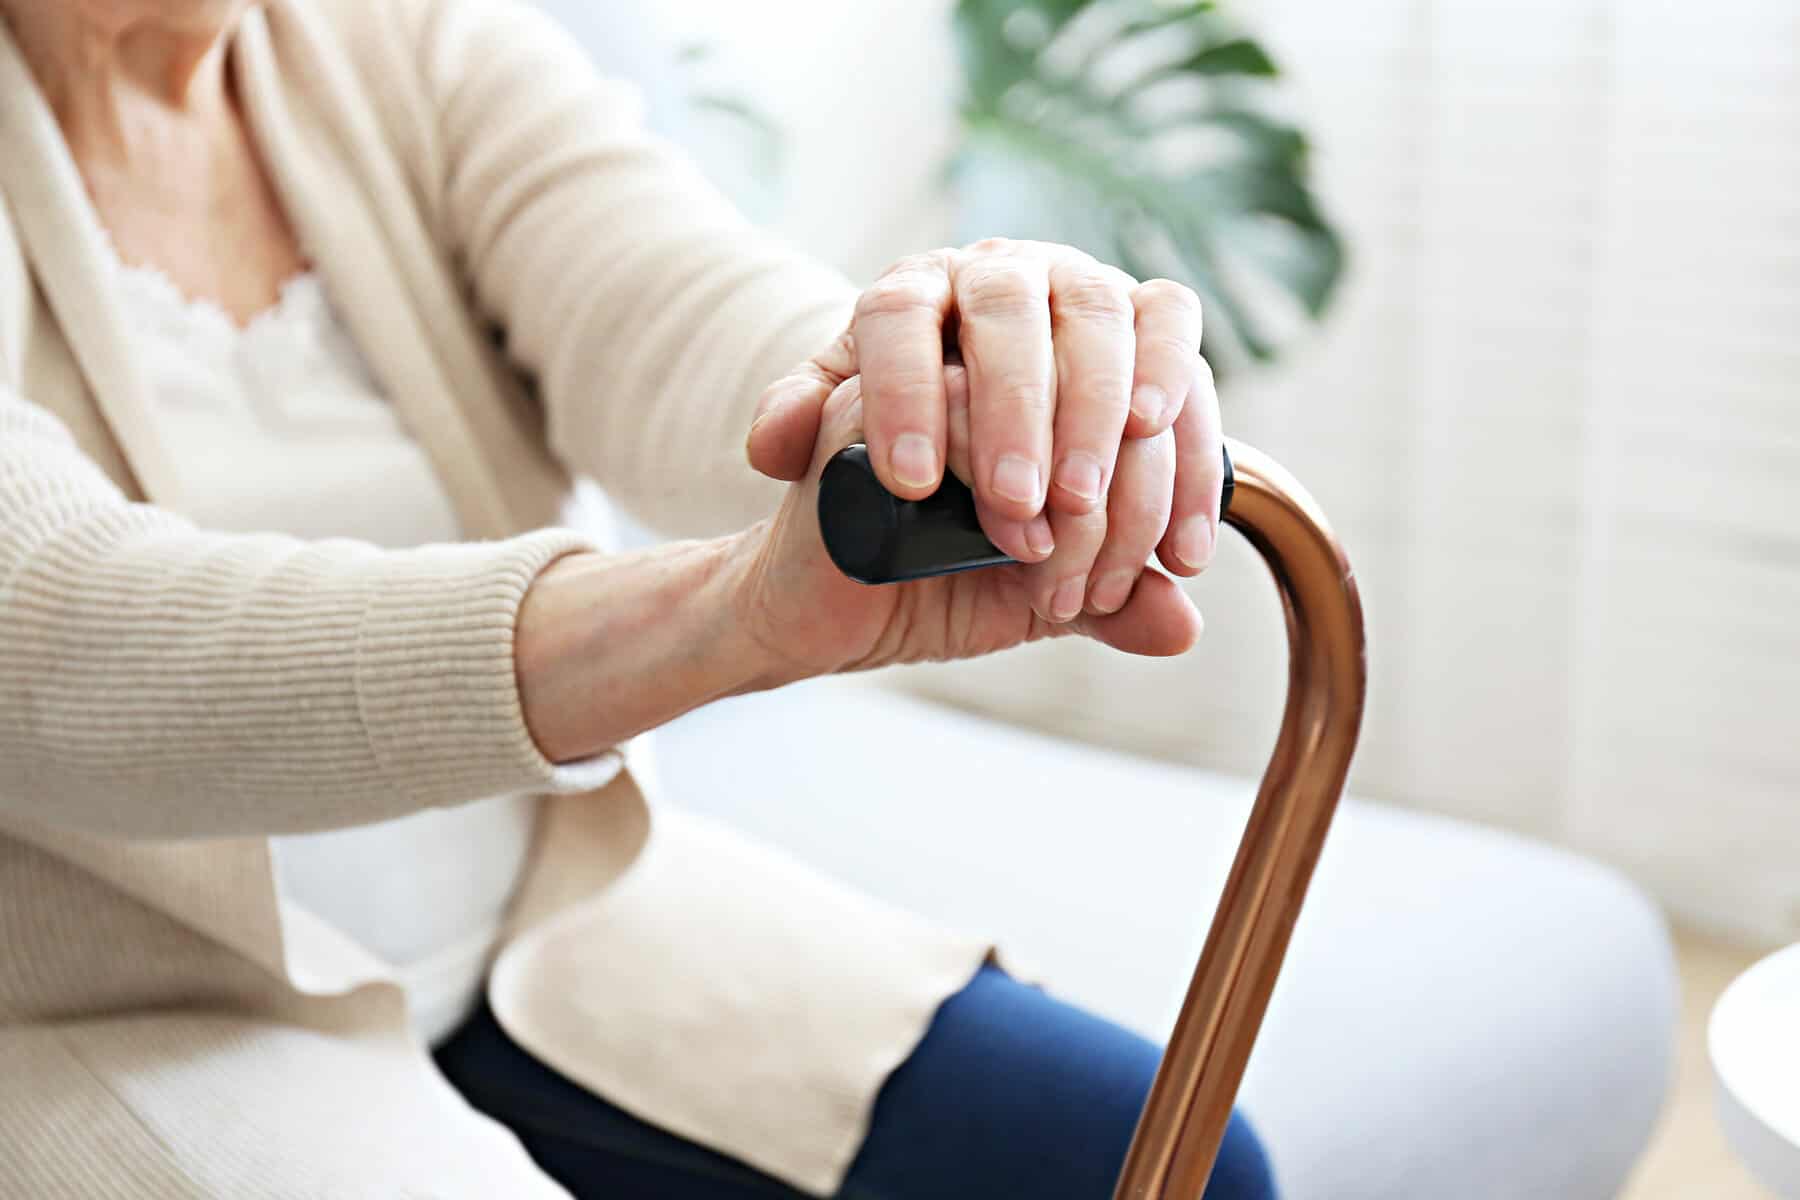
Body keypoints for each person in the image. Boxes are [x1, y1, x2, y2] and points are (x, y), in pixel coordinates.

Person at [0, 1, 1274, 1197]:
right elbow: (57, 644)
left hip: (549, 904)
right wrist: (715, 619)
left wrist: (936, 382)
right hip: (113, 1011)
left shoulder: (403, 40)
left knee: (1158, 1157)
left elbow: (683, 317)